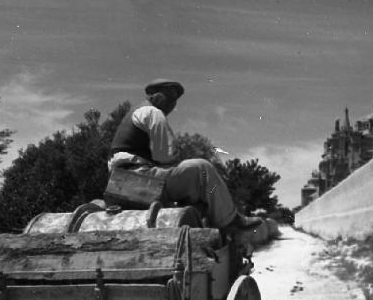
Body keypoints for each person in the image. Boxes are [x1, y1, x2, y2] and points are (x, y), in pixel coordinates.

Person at [108, 78, 262, 231]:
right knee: (202, 168)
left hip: (123, 177)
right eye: (169, 97)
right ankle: (229, 219)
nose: (172, 104)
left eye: (175, 100)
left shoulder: (137, 112)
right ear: (155, 96)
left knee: (188, 175)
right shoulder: (153, 113)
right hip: (140, 176)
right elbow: (166, 156)